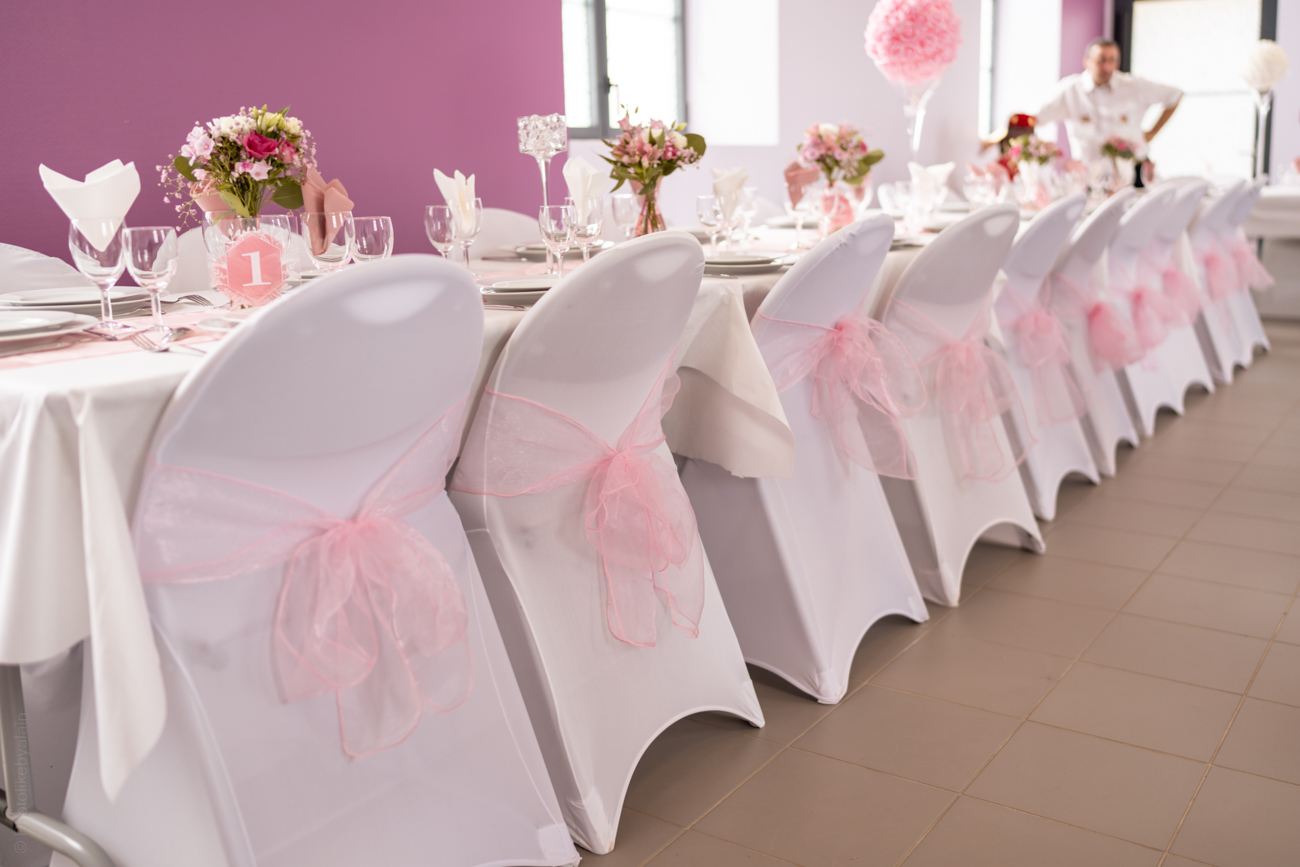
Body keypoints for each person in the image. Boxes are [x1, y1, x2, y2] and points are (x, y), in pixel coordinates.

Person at [1037, 38, 1182, 175]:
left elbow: (1175, 95)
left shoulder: (1134, 86)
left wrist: (1152, 132)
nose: (1107, 67)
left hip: (1132, 171)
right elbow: (1034, 119)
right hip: (1088, 173)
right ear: (1087, 62)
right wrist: (1044, 152)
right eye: (1101, 60)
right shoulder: (1070, 90)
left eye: (1113, 60)